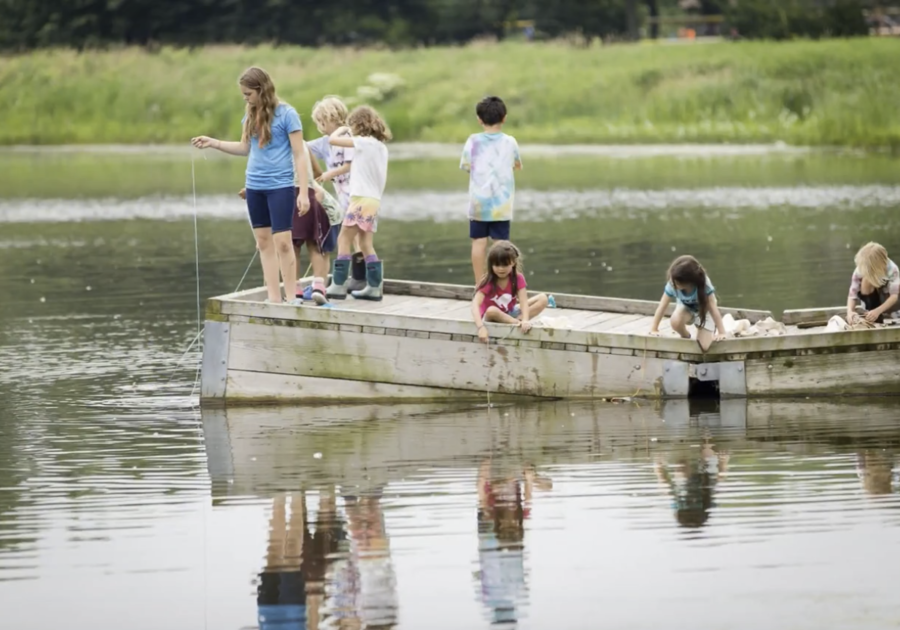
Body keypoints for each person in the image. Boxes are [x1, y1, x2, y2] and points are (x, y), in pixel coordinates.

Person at [192, 66, 310, 305]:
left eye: (248, 94)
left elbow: (300, 155)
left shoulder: (288, 114)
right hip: (255, 186)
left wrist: (304, 193)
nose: (245, 98)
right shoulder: (250, 116)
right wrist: (213, 142)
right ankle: (274, 298)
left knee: (283, 242)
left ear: (261, 89)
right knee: (264, 243)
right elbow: (245, 148)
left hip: (281, 186)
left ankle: (291, 298)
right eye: (244, 94)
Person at [325, 106, 392, 301]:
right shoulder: (381, 146)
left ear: (358, 125)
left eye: (352, 125)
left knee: (344, 239)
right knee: (365, 243)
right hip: (373, 200)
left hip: (360, 198)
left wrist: (343, 128)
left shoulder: (362, 142)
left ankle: (338, 285)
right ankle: (374, 287)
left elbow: (332, 139)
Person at [307, 96, 368, 294]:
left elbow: (349, 165)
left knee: (358, 234)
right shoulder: (325, 143)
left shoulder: (349, 137)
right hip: (342, 196)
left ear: (334, 117)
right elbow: (303, 148)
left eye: (323, 122)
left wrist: (326, 175)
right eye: (319, 123)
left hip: (357, 192)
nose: (322, 127)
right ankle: (355, 277)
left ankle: (360, 277)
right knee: (349, 235)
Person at [461, 96, 522, 285]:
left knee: (478, 242)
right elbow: (516, 165)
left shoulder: (473, 141)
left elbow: (466, 166)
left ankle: (480, 284)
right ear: (504, 117)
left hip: (479, 202)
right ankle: (501, 284)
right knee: (501, 245)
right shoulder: (510, 142)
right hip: (501, 203)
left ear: (479, 119)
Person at [471, 241, 549, 344]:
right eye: (497, 265)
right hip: (493, 316)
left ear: (513, 262)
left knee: (543, 298)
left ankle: (520, 320)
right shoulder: (488, 281)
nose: (501, 269)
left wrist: (525, 319)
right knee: (491, 310)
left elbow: (523, 301)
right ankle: (517, 322)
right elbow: (475, 305)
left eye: (505, 265)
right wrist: (480, 327)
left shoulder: (517, 278)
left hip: (509, 312)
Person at [649, 255, 727, 352]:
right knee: (675, 321)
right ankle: (685, 336)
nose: (673, 284)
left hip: (705, 310)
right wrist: (654, 329)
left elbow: (713, 309)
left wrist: (721, 332)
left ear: (689, 282)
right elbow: (662, 306)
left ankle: (734, 327)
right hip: (686, 309)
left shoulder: (704, 284)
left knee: (703, 347)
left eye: (677, 283)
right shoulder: (672, 284)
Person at [846, 241, 899, 325]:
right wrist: (850, 311)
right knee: (866, 280)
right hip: (871, 298)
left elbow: (894, 296)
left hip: (887, 299)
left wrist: (878, 310)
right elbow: (852, 294)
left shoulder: (892, 269)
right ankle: (871, 315)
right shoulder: (860, 269)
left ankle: (886, 314)